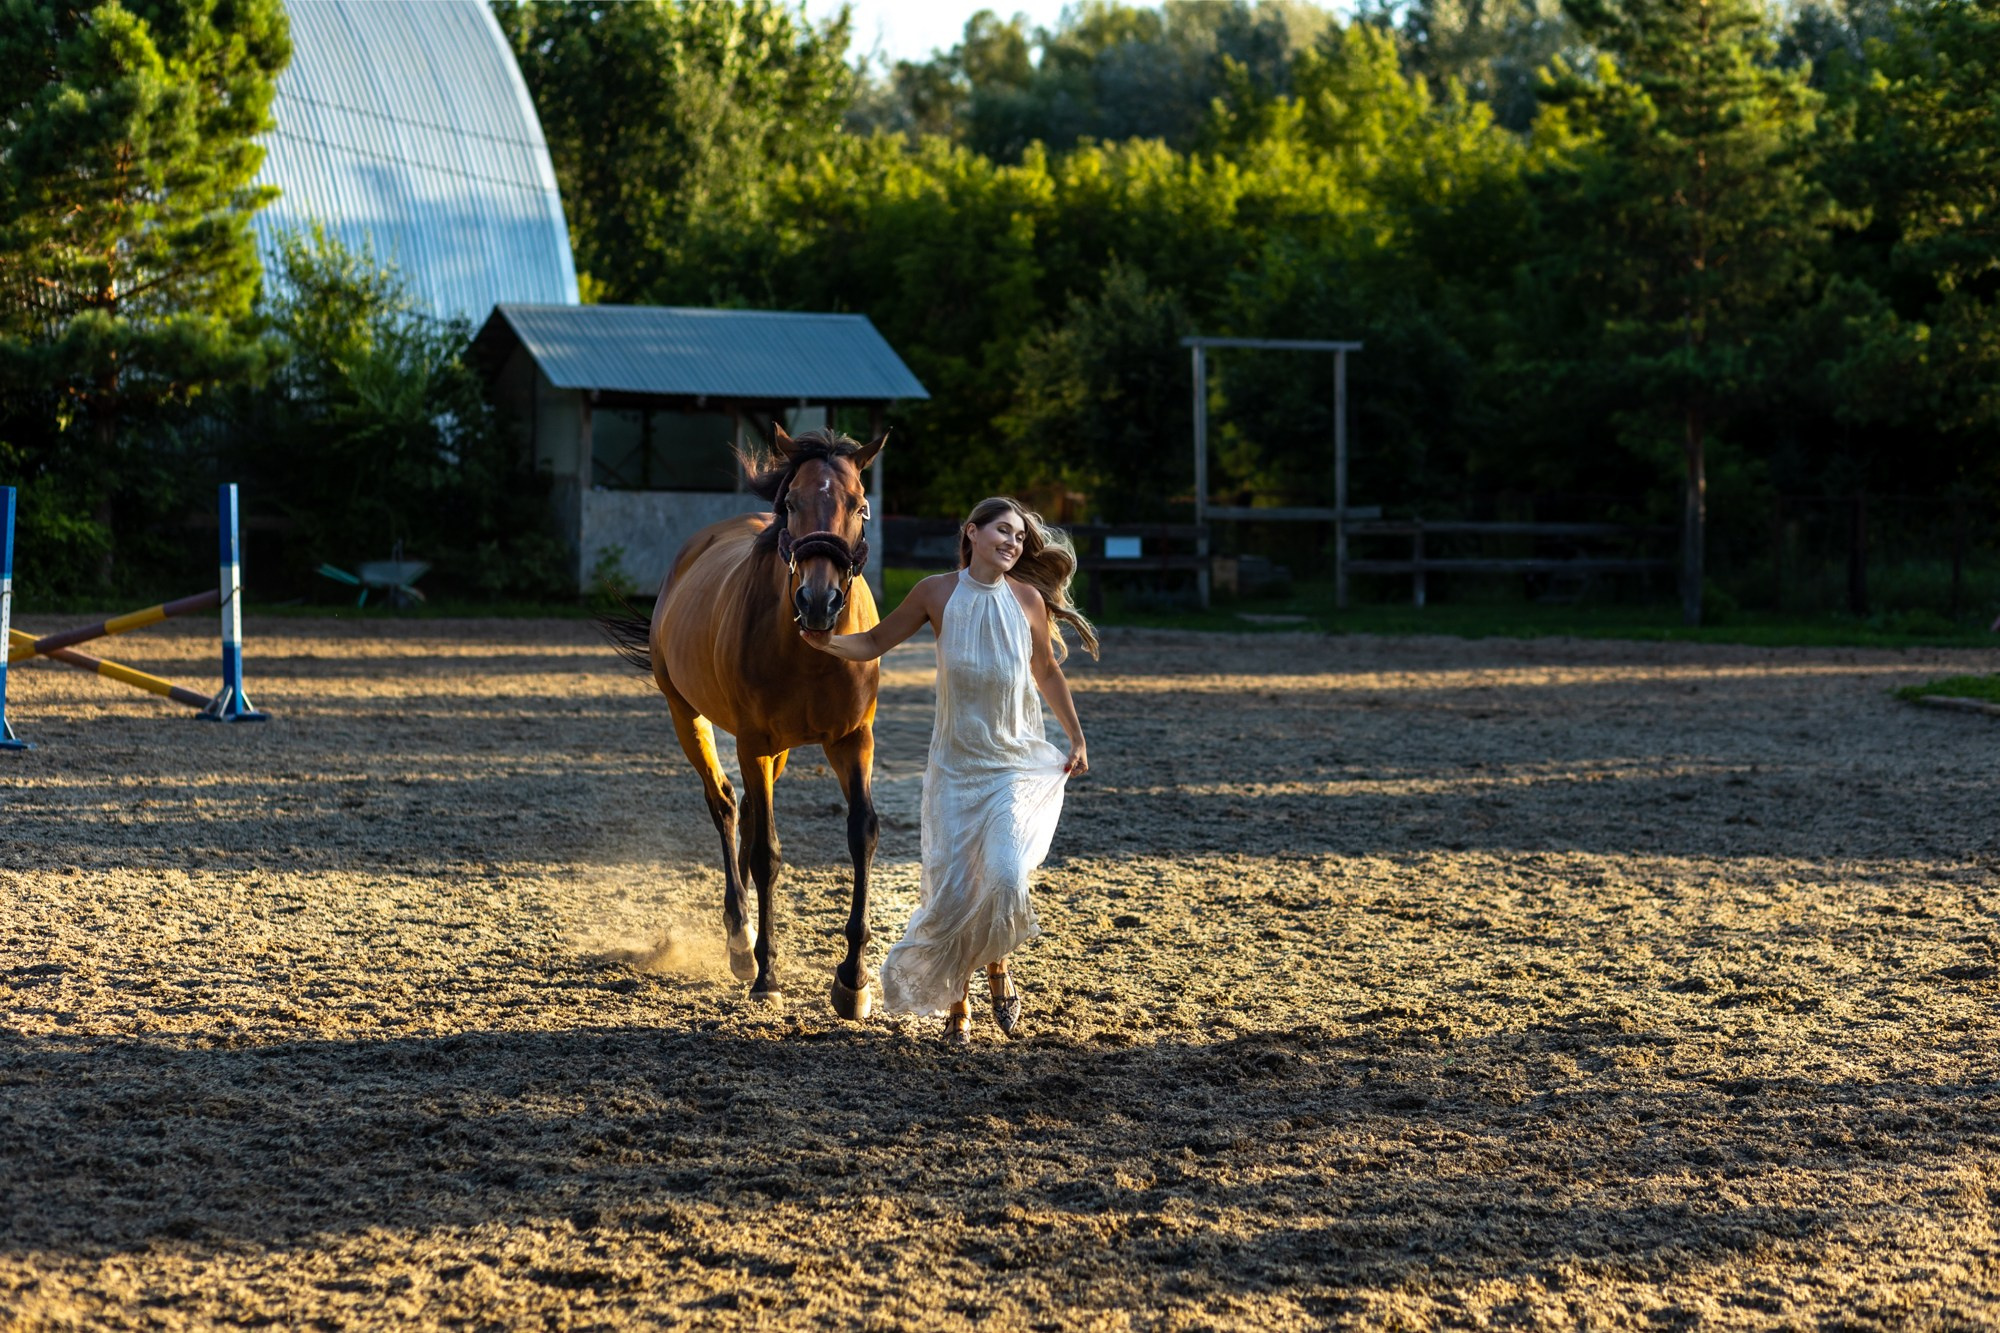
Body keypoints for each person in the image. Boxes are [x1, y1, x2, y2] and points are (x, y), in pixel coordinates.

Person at [800, 496, 1096, 1044]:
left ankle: (999, 965)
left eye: (1019, 538)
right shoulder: (936, 593)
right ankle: (958, 1005)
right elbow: (873, 641)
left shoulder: (1027, 600)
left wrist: (1075, 736)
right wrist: (826, 642)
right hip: (956, 770)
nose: (1013, 543)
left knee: (1005, 877)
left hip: (1012, 762)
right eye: (1002, 532)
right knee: (956, 892)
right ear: (972, 533)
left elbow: (1047, 670)